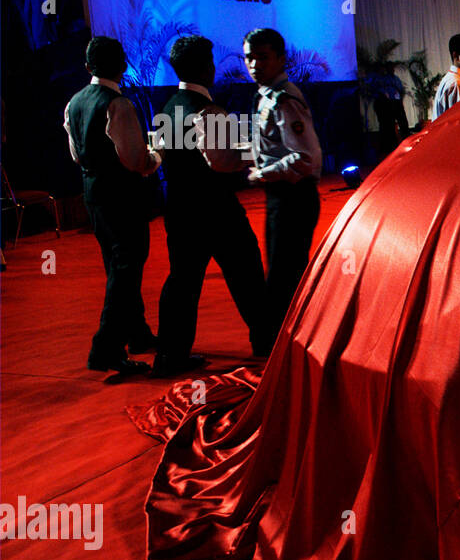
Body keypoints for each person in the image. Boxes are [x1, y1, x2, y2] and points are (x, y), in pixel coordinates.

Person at [152, 35, 271, 376]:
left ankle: (169, 356)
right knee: (246, 273)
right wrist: (254, 155)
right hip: (217, 210)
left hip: (178, 209)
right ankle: (266, 341)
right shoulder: (209, 110)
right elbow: (222, 162)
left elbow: (163, 153)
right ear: (208, 67)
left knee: (182, 283)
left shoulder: (168, 106)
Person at [63, 36, 159, 374]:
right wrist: (156, 156)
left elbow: (77, 154)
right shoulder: (118, 104)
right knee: (126, 269)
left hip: (93, 195)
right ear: (123, 65)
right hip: (123, 196)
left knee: (117, 266)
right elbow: (134, 160)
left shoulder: (74, 103)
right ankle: (105, 349)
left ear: (88, 67)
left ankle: (138, 335)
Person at [238, 28, 322, 338]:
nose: (254, 65)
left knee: (284, 280)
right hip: (281, 198)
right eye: (249, 58)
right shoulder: (267, 97)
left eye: (263, 57)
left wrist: (263, 173)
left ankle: (285, 348)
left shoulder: (284, 100)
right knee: (283, 274)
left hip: (293, 198)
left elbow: (305, 158)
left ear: (281, 59)